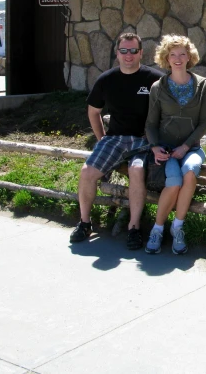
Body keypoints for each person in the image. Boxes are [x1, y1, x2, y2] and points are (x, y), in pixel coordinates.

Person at [70, 33, 162, 250]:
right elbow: (93, 112)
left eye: (133, 51)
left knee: (137, 171)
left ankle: (134, 227)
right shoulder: (106, 80)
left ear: (140, 53)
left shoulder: (154, 79)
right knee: (87, 173)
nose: (128, 55)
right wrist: (102, 139)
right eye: (124, 51)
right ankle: (84, 222)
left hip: (143, 140)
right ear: (117, 53)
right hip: (115, 138)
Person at [144, 34, 206, 255]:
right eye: (173, 54)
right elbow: (150, 124)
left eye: (182, 53)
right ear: (166, 58)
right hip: (166, 150)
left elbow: (204, 122)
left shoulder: (203, 85)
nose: (178, 58)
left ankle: (178, 227)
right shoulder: (158, 87)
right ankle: (157, 228)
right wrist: (154, 147)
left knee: (190, 171)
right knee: (173, 182)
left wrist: (186, 146)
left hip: (191, 149)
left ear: (189, 56)